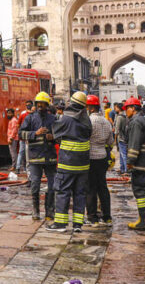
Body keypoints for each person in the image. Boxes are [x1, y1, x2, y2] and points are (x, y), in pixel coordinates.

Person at [46, 92, 92, 233]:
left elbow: (55, 134)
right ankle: (77, 225)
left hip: (67, 162)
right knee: (79, 193)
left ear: (71, 103)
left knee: (62, 191)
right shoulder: (87, 120)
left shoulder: (65, 119)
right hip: (83, 164)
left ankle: (60, 224)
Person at [21, 92, 58, 220]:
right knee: (35, 184)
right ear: (36, 104)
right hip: (35, 158)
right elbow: (20, 134)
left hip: (50, 158)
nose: (40, 106)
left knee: (52, 185)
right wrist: (34, 133)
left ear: (47, 105)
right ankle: (35, 210)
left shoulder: (53, 119)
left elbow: (60, 136)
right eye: (39, 104)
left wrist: (53, 137)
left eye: (43, 104)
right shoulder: (30, 118)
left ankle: (50, 211)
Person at [123, 96, 145, 230]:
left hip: (139, 162)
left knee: (140, 191)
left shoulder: (135, 122)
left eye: (127, 109)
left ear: (132, 109)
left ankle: (143, 220)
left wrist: (130, 161)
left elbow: (134, 144)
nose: (126, 112)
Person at [85, 95, 114, 226]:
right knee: (103, 186)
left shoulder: (88, 121)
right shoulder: (106, 122)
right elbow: (110, 142)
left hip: (91, 158)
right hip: (102, 157)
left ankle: (92, 217)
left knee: (91, 187)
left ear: (90, 108)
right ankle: (107, 216)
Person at [16, 100, 34, 173]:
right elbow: (18, 124)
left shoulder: (34, 114)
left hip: (30, 136)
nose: (28, 106)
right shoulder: (23, 114)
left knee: (25, 153)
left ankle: (25, 169)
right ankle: (18, 168)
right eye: (27, 105)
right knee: (22, 153)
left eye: (29, 105)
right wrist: (20, 133)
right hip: (24, 137)